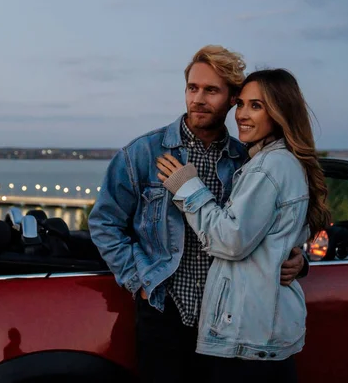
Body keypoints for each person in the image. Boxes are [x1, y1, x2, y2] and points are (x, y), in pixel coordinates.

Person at [88, 45, 308, 383]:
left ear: (232, 98)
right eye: (193, 88)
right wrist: (140, 281)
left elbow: (271, 224)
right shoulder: (143, 153)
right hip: (164, 315)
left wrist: (298, 259)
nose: (198, 99)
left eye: (211, 90)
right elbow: (104, 222)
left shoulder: (246, 159)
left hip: (227, 323)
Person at [156, 68, 331, 382]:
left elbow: (230, 240)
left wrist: (187, 187)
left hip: (249, 337)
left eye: (257, 106)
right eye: (241, 104)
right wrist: (295, 260)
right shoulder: (277, 161)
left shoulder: (269, 167)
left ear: (280, 113)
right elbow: (283, 234)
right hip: (260, 331)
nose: (242, 115)